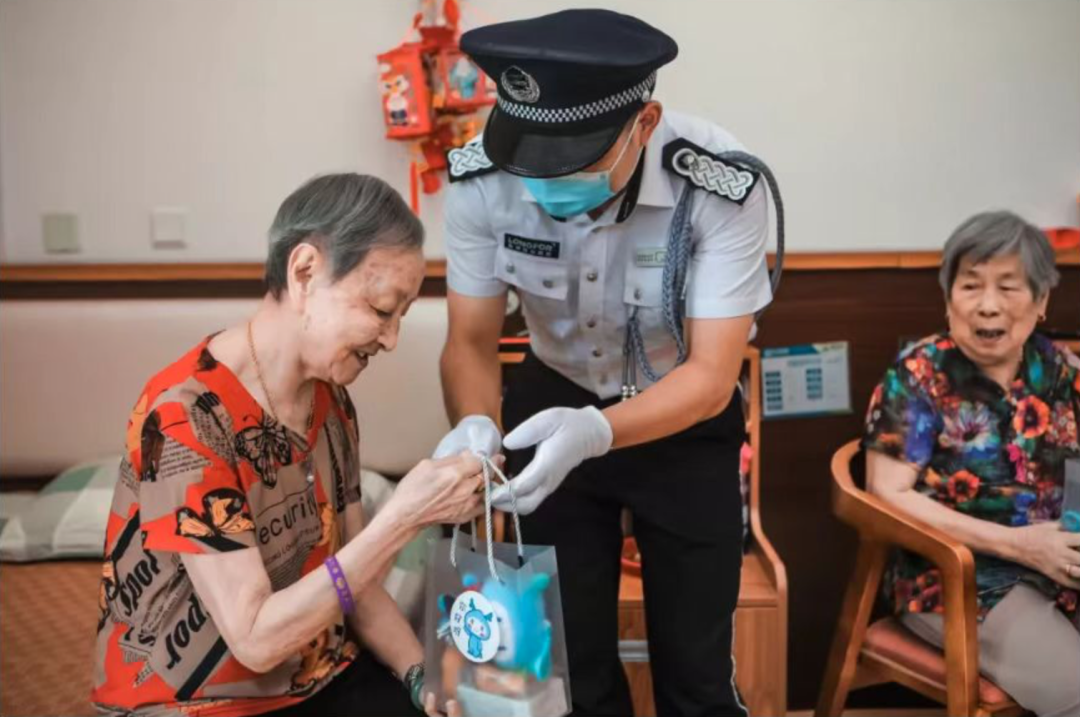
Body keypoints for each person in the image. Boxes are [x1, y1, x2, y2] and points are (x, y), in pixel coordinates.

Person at [434, 9, 776, 716]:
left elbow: (712, 375)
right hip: (547, 401)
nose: (547, 178)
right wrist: (475, 428)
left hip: (683, 413)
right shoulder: (481, 178)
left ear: (644, 123)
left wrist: (598, 430)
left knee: (697, 677)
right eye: (532, 156)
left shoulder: (717, 182)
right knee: (571, 672)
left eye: (574, 159)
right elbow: (469, 340)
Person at [92, 174, 483, 717]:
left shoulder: (331, 400)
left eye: (402, 316)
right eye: (381, 309)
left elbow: (357, 581)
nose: (392, 339)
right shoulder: (183, 418)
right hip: (196, 702)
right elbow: (255, 641)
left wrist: (422, 678)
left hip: (319, 676)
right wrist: (403, 518)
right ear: (304, 273)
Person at [864, 211, 1080, 717]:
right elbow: (886, 495)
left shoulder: (1062, 371)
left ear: (1041, 301)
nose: (987, 305)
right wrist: (1021, 546)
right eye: (970, 285)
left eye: (1008, 287)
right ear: (948, 298)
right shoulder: (919, 375)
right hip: (956, 581)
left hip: (1059, 566)